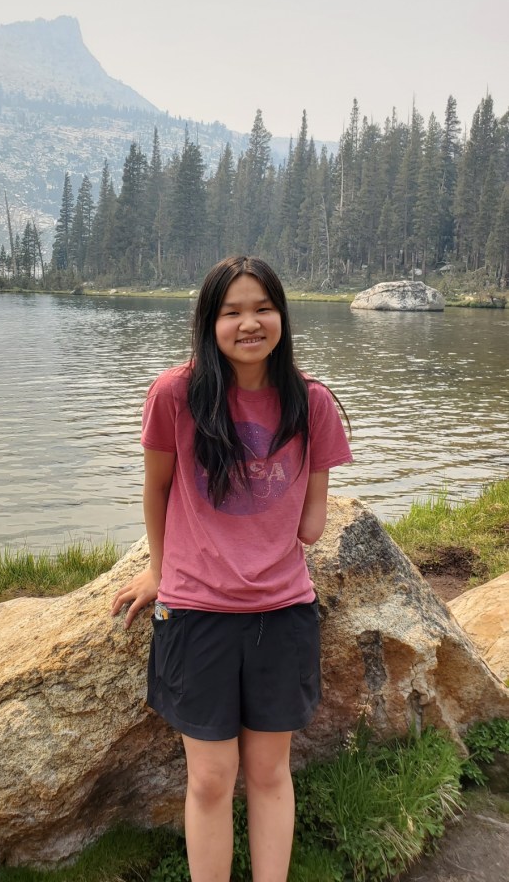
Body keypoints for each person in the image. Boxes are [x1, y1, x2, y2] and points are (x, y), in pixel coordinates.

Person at [111, 255, 352, 882]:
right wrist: (159, 571)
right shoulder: (175, 394)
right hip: (196, 612)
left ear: (282, 316)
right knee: (212, 778)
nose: (249, 323)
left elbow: (310, 526)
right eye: (232, 312)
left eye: (263, 308)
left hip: (284, 611)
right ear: (208, 322)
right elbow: (157, 487)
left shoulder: (313, 401)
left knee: (267, 773)